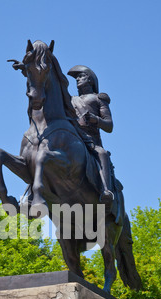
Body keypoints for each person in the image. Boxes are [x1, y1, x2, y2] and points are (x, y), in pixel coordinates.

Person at [67, 65, 115, 203]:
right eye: (76, 78)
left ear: (90, 80)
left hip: (90, 140)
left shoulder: (98, 98)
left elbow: (109, 125)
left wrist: (95, 119)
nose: (77, 80)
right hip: (72, 138)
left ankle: (106, 191)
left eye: (81, 76)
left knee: (102, 154)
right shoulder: (71, 99)